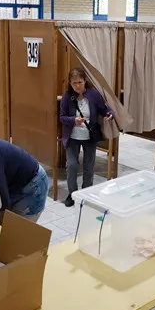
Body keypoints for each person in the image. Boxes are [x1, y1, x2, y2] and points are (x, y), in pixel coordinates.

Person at [59, 68, 114, 208]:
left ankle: (87, 193)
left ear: (85, 81)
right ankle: (72, 194)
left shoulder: (94, 94)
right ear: (70, 83)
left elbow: (105, 109)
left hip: (90, 135)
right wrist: (73, 120)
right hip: (72, 136)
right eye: (74, 83)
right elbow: (62, 117)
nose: (77, 86)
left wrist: (109, 114)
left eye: (80, 82)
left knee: (89, 167)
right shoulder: (67, 97)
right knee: (71, 166)